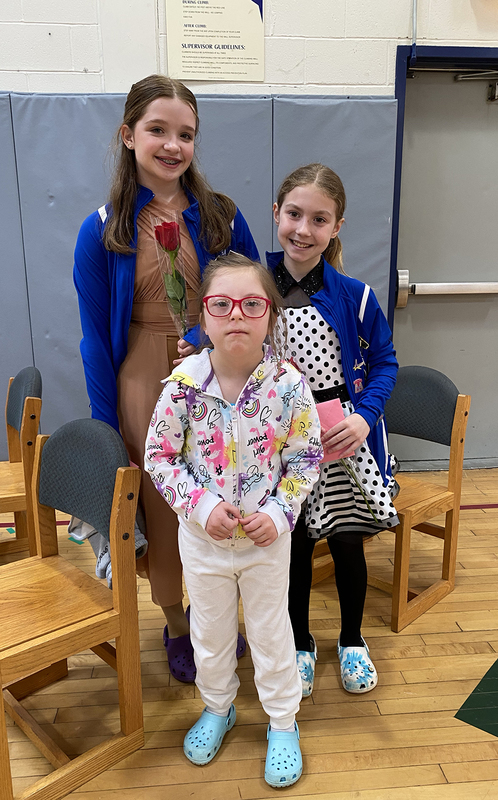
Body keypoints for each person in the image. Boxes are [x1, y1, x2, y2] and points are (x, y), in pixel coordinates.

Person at [73, 74, 258, 683]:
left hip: (216, 377)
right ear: (129, 136)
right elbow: (96, 339)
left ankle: (226, 614)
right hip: (141, 382)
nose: (172, 144)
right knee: (165, 503)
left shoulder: (221, 218)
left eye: (186, 134)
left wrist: (213, 334)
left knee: (224, 489)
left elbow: (255, 294)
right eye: (157, 130)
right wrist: (106, 431)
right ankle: (178, 623)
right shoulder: (101, 229)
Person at [144, 254, 322, 787]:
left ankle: (283, 723)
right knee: (211, 633)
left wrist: (280, 510)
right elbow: (159, 454)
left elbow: (306, 456)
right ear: (204, 316)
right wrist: (199, 506)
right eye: (222, 305)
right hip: (202, 546)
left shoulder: (288, 385)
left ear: (270, 315)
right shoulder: (183, 386)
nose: (237, 316)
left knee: (271, 633)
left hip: (267, 544)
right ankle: (218, 707)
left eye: (252, 304)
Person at [267, 163, 399, 698]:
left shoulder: (357, 297)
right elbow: (225, 331)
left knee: (347, 544)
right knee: (293, 548)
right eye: (294, 214)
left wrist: (364, 416)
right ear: (276, 213)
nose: (303, 229)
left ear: (337, 227)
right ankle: (300, 641)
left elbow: (387, 364)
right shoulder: (254, 289)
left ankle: (350, 639)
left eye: (318, 219)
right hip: (281, 441)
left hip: (341, 437)